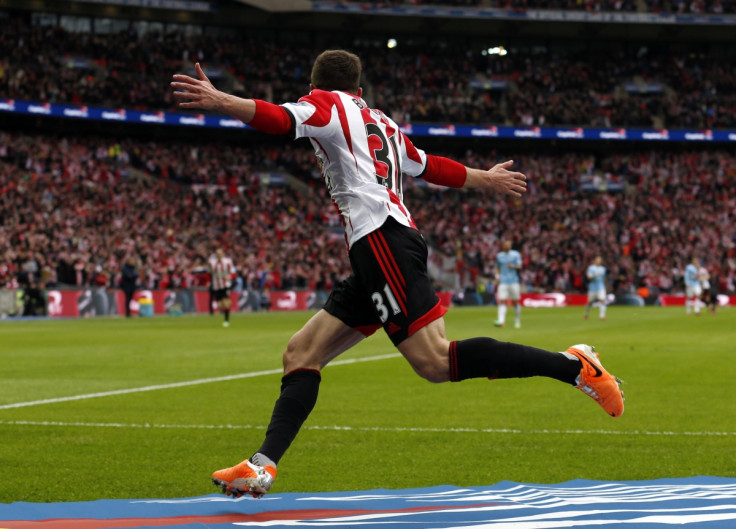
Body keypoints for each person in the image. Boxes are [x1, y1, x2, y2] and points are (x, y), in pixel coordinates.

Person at [170, 50, 624, 499]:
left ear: (315, 87)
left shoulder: (325, 105)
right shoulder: (382, 122)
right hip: (380, 247)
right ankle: (260, 466)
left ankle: (573, 366)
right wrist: (484, 178)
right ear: (360, 91)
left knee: (433, 361)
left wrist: (221, 101)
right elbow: (427, 165)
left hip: (381, 241)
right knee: (301, 352)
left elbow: (279, 118)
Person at [493, 240, 522, 328]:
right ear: (503, 246)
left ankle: (517, 321)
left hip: (514, 281)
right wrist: (497, 277)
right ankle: (501, 321)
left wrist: (513, 266)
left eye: (509, 245)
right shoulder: (499, 256)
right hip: (503, 281)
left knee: (515, 301)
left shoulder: (515, 254)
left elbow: (520, 266)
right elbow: (497, 267)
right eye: (506, 245)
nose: (508, 246)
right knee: (502, 300)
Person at [209, 247, 236, 327]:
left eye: (220, 253)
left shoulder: (227, 262)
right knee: (220, 305)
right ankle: (229, 303)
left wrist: (230, 277)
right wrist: (208, 281)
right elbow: (209, 272)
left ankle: (226, 321)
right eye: (217, 254)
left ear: (223, 254)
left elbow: (234, 273)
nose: (219, 255)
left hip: (225, 285)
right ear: (216, 254)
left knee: (225, 303)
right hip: (216, 286)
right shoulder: (212, 263)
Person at [584, 256, 607, 321]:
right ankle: (586, 313)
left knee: (602, 300)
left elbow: (604, 278)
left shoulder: (603, 269)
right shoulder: (591, 268)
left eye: (600, 260)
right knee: (589, 302)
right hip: (592, 288)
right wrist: (596, 275)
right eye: (598, 260)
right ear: (594, 261)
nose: (599, 261)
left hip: (601, 287)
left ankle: (602, 316)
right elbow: (589, 277)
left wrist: (606, 285)